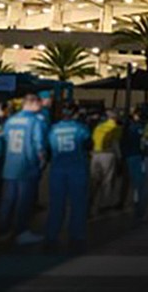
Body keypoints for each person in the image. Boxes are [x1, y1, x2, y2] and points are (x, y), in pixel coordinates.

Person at [0, 94, 47, 245]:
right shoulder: (35, 121)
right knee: (24, 201)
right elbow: (38, 143)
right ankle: (21, 231)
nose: (41, 106)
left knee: (8, 200)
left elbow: (5, 138)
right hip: (27, 166)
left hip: (10, 165)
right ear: (32, 103)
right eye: (39, 104)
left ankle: (3, 230)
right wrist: (42, 159)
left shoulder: (11, 120)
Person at [45, 105, 92, 252]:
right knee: (78, 203)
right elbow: (88, 144)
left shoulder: (53, 129)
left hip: (58, 169)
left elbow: (48, 148)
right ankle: (76, 235)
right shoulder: (81, 128)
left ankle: (52, 235)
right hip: (77, 168)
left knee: (56, 204)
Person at [90, 109, 122, 215]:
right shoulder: (115, 128)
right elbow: (115, 144)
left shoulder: (99, 127)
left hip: (95, 155)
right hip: (108, 154)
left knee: (94, 180)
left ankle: (90, 201)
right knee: (107, 180)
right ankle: (104, 204)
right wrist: (119, 158)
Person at [118, 104, 148, 209]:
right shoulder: (142, 127)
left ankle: (125, 202)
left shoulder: (130, 126)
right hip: (137, 155)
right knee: (138, 182)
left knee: (128, 181)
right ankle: (137, 203)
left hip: (130, 155)